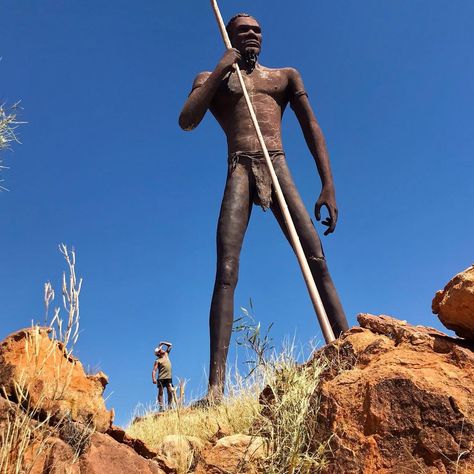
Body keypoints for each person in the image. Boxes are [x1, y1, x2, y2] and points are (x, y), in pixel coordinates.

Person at [179, 13, 349, 401]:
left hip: (278, 163)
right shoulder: (213, 78)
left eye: (257, 31)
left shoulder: (285, 76)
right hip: (239, 166)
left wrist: (328, 184)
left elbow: (311, 126)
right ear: (229, 35)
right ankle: (216, 388)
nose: (252, 35)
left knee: (316, 257)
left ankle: (348, 345)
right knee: (226, 270)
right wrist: (223, 66)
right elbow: (187, 120)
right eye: (243, 31)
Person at [151, 341, 173, 411]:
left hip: (168, 377)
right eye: (160, 350)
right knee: (161, 392)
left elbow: (170, 345)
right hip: (161, 378)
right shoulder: (157, 360)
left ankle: (169, 406)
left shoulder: (166, 354)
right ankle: (161, 407)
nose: (162, 349)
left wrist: (162, 343)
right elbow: (154, 370)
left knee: (170, 391)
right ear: (158, 353)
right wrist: (153, 378)